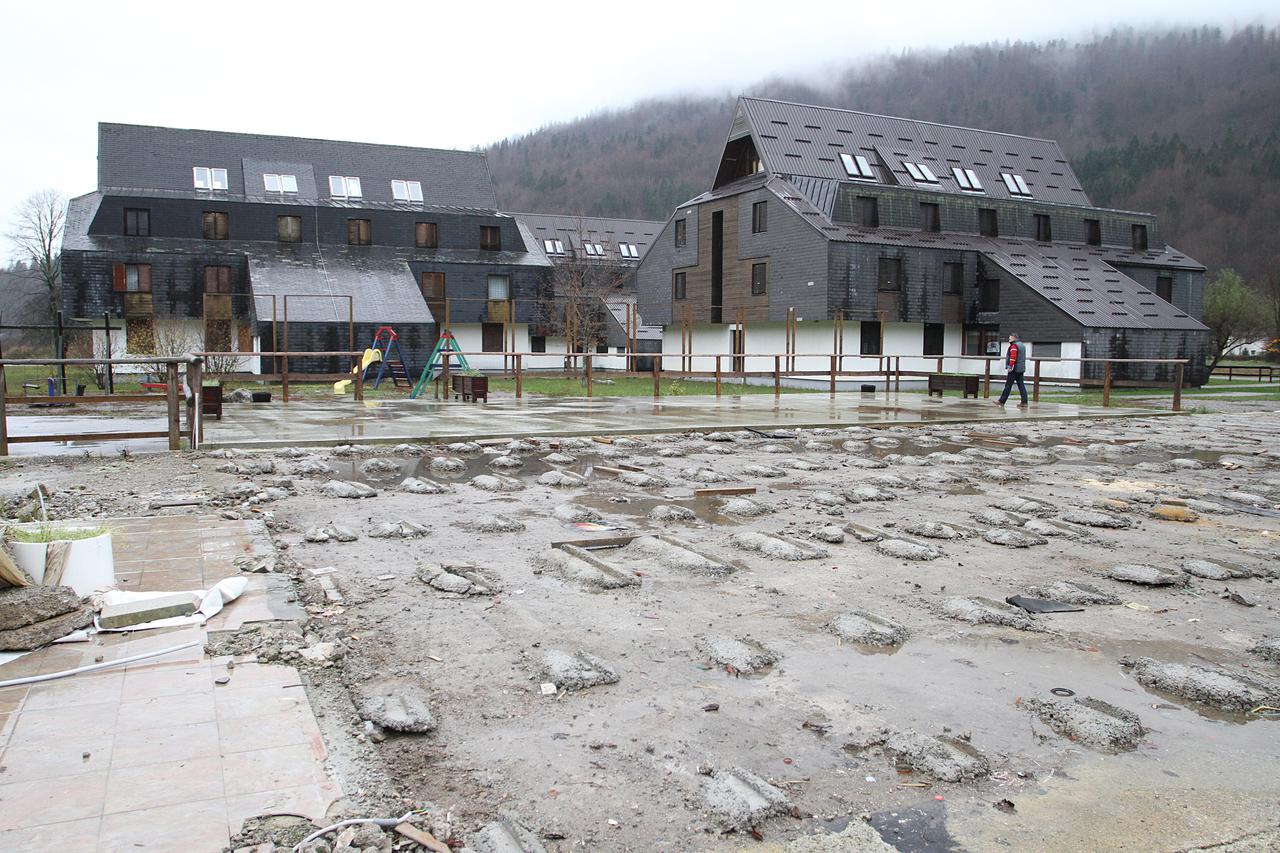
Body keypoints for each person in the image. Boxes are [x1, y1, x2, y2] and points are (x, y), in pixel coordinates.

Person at [996, 332, 1028, 407]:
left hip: (1014, 368)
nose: (1008, 340)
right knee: (1021, 385)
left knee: (1008, 385)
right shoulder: (1022, 345)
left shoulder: (1014, 346)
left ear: (1014, 338)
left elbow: (1013, 357)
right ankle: (1024, 402)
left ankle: (1001, 401)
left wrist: (1010, 366)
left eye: (1009, 338)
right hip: (1021, 368)